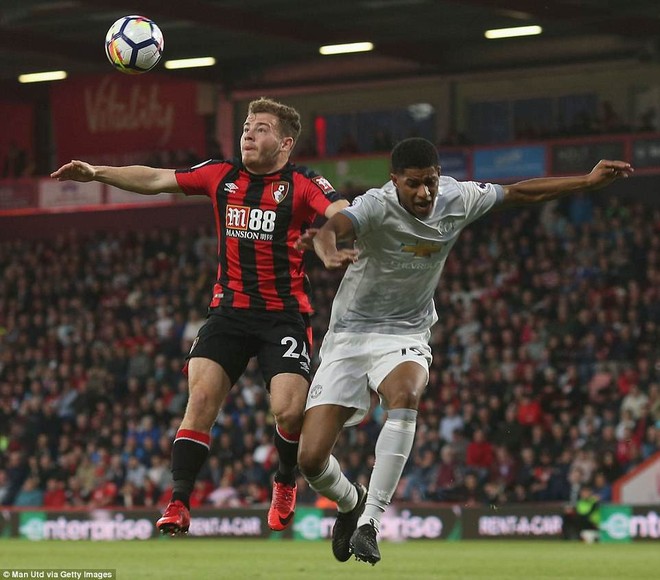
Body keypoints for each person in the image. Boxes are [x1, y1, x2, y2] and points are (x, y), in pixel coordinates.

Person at [295, 137, 633, 565]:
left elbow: (520, 192)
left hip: (407, 332)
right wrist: (327, 252)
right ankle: (351, 501)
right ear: (394, 180)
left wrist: (585, 181)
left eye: (430, 182)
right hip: (349, 336)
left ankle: (371, 522)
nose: (424, 193)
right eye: (414, 184)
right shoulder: (377, 205)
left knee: (406, 394)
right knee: (310, 459)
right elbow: (333, 229)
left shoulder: (457, 197)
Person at [50, 97, 348, 535]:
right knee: (201, 399)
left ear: (285, 143)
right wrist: (97, 172)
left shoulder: (302, 183)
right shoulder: (221, 175)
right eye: (247, 125)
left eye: (261, 127)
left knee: (288, 412)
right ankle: (178, 502)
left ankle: (284, 480)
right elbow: (154, 178)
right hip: (228, 312)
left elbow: (341, 211)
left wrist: (328, 235)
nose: (248, 132)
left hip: (283, 317)